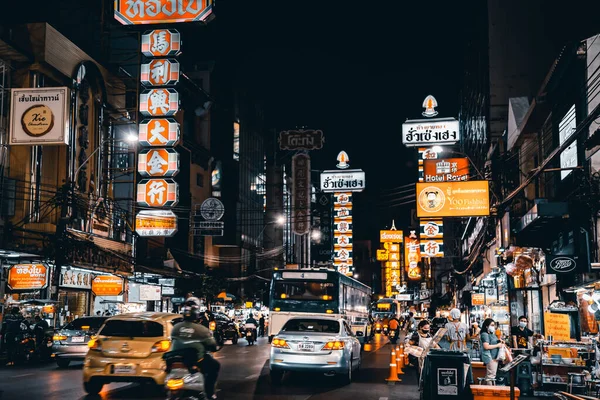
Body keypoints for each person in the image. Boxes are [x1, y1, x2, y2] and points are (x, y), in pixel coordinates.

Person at [170, 305, 220, 399]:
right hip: (196, 359)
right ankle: (209, 393)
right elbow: (212, 344)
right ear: (196, 316)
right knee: (215, 366)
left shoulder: (175, 327)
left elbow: (173, 340)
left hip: (175, 359)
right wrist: (214, 347)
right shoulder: (201, 329)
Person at [480, 318, 503, 385]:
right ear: (487, 326)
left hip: (494, 357)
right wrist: (497, 345)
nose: (493, 327)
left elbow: (493, 342)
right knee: (491, 376)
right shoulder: (485, 334)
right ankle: (489, 391)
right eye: (492, 325)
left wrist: (499, 341)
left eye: (494, 325)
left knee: (490, 375)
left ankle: (484, 390)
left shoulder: (492, 334)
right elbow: (486, 346)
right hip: (490, 357)